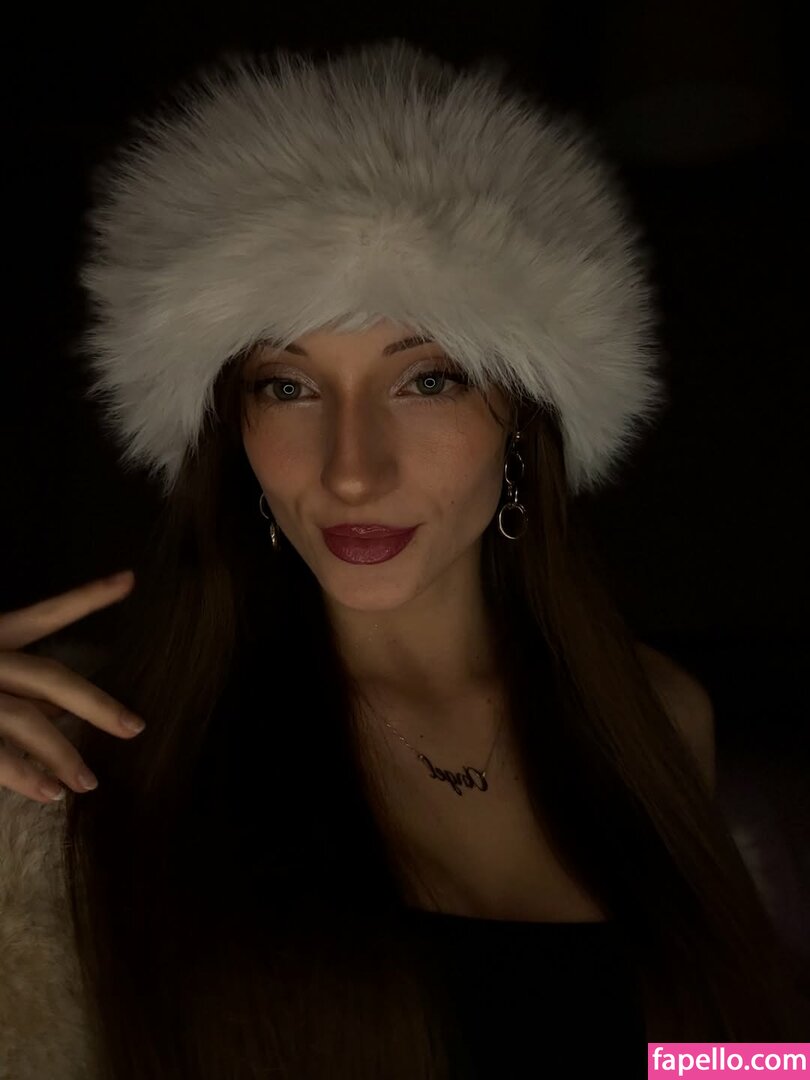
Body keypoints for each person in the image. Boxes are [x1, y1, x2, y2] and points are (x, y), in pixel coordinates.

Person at [0, 37, 805, 1080]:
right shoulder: (92, 753)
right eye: (288, 387)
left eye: (427, 380)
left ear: (525, 416)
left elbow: (725, 1060)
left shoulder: (655, 713)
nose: (351, 472)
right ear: (231, 429)